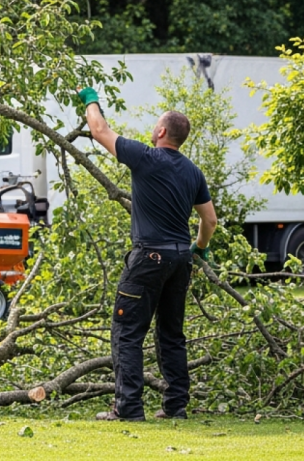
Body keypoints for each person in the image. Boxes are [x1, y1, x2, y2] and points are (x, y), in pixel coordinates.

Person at [78, 87, 218, 422]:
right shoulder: (193, 172)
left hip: (148, 259)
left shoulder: (145, 157)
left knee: (126, 331)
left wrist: (90, 100)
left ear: (161, 132)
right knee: (172, 334)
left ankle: (128, 409)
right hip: (179, 259)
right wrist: (200, 249)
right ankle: (175, 407)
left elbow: (99, 131)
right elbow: (209, 219)